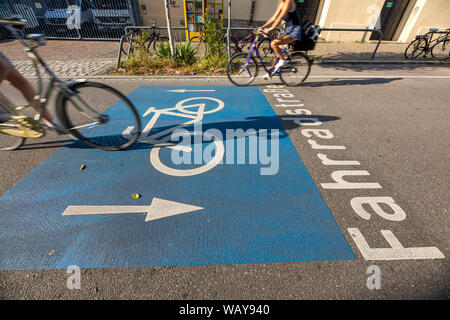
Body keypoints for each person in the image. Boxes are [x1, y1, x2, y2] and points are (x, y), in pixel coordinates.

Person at [259, 0, 302, 79]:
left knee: (273, 43)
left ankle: (283, 61)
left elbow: (280, 17)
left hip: (294, 30)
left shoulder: (288, 1)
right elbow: (274, 18)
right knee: (277, 52)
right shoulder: (282, 3)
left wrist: (270, 28)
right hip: (288, 30)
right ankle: (270, 73)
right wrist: (262, 27)